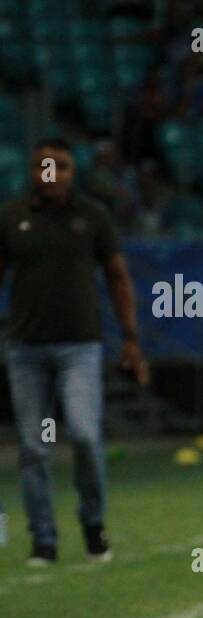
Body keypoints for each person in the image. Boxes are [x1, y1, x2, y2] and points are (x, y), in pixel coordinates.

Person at [0, 138, 148, 567]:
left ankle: (93, 523)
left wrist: (130, 338)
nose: (51, 173)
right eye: (43, 165)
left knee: (84, 434)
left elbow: (118, 277)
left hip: (79, 347)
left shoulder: (92, 217)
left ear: (72, 172)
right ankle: (43, 539)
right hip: (26, 349)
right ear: (32, 172)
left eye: (60, 166)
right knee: (33, 446)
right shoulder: (11, 218)